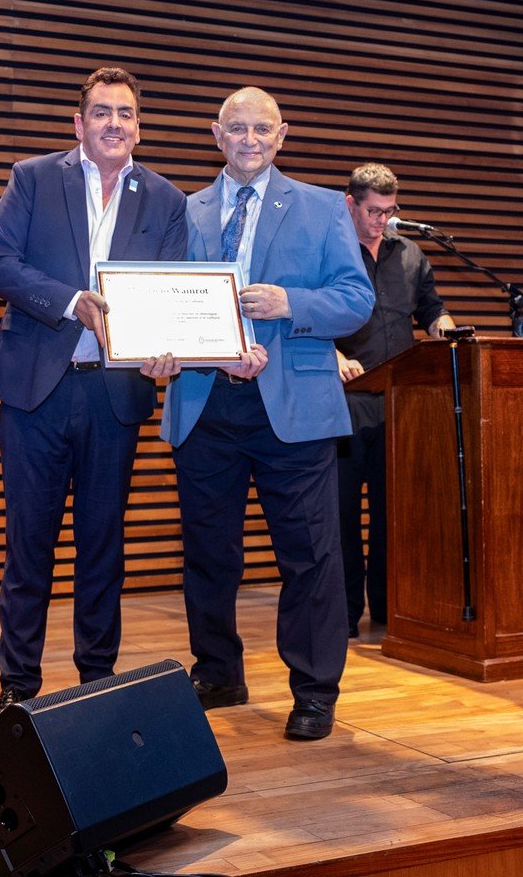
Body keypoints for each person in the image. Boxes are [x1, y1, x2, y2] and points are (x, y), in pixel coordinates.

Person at [161, 87, 375, 741]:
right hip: (205, 401)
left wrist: (290, 302)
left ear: (281, 136)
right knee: (207, 552)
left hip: (296, 407)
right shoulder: (185, 210)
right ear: (216, 135)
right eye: (236, 129)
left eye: (262, 129)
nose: (249, 139)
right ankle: (218, 669)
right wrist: (179, 351)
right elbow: (168, 301)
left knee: (310, 554)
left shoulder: (321, 207)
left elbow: (356, 300)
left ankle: (315, 690)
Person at [0, 66, 187, 729]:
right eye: (102, 112)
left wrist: (167, 352)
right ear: (79, 123)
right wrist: (70, 302)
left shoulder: (167, 200)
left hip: (114, 395)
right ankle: (19, 685)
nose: (114, 124)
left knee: (103, 544)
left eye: (126, 114)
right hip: (36, 391)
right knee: (28, 544)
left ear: (138, 126)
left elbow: (176, 294)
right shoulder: (33, 178)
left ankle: (98, 680)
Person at [336, 163, 455, 639]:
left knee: (393, 512)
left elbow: (432, 308)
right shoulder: (332, 253)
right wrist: (333, 352)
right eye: (372, 211)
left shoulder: (410, 254)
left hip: (399, 404)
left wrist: (443, 327)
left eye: (389, 211)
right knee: (342, 513)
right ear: (350, 204)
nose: (381, 220)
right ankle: (342, 614)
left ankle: (390, 609)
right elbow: (308, 316)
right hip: (345, 401)